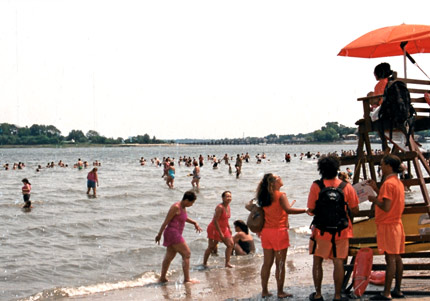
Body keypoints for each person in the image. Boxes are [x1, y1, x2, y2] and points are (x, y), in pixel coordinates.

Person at [308, 155, 359, 301]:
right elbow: (355, 210)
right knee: (338, 262)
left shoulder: (316, 186)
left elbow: (311, 209)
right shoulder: (345, 186)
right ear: (337, 168)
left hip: (321, 231)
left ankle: (318, 294)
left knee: (317, 262)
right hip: (341, 231)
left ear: (320, 169)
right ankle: (337, 295)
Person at [257, 173, 310, 299]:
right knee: (280, 263)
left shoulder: (264, 196)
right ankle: (280, 292)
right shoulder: (281, 195)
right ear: (273, 183)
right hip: (279, 232)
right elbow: (288, 210)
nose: (281, 178)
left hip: (266, 232)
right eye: (278, 178)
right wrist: (306, 210)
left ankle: (264, 291)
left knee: (267, 263)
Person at [367, 154, 405, 300]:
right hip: (396, 223)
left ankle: (386, 292)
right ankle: (397, 289)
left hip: (388, 224)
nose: (380, 167)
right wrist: (376, 189)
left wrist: (374, 199)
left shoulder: (389, 184)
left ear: (389, 166)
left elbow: (386, 206)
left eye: (382, 165)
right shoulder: (397, 182)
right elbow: (388, 200)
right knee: (397, 257)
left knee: (390, 259)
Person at [155, 191, 202, 283]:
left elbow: (183, 218)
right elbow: (166, 221)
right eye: (191, 202)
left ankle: (162, 278)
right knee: (186, 254)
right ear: (186, 200)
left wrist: (194, 223)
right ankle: (187, 279)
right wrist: (159, 234)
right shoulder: (176, 207)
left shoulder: (183, 207)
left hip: (175, 233)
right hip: (172, 233)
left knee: (169, 257)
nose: (192, 205)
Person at [203, 191, 234, 268]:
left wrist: (229, 228)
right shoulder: (220, 207)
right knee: (211, 247)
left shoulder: (228, 206)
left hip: (224, 228)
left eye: (230, 196)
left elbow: (225, 219)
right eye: (227, 196)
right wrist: (220, 233)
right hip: (214, 229)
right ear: (223, 198)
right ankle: (204, 263)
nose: (229, 198)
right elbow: (215, 221)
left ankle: (227, 263)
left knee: (230, 245)